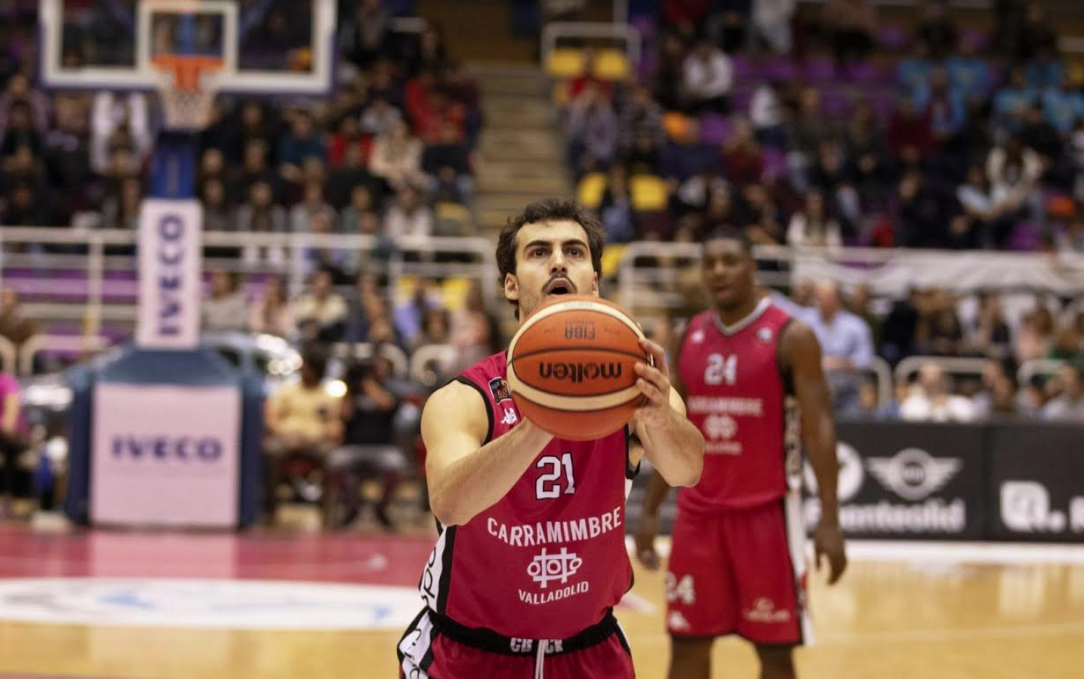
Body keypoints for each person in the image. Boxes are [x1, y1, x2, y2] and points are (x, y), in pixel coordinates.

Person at [397, 199, 705, 679]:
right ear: (511, 285)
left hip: (588, 652)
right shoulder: (465, 397)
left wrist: (660, 419)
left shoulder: (632, 386)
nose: (559, 261)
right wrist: (542, 419)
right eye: (539, 252)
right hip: (469, 656)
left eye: (575, 252)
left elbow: (688, 470)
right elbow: (450, 505)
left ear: (594, 282)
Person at [634, 228, 847, 679]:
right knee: (687, 647)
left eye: (730, 261)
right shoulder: (688, 334)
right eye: (709, 263)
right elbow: (671, 428)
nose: (718, 271)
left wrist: (830, 519)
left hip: (766, 516)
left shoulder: (792, 336)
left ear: (753, 267)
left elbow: (819, 429)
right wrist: (651, 511)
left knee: (775, 655)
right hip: (697, 516)